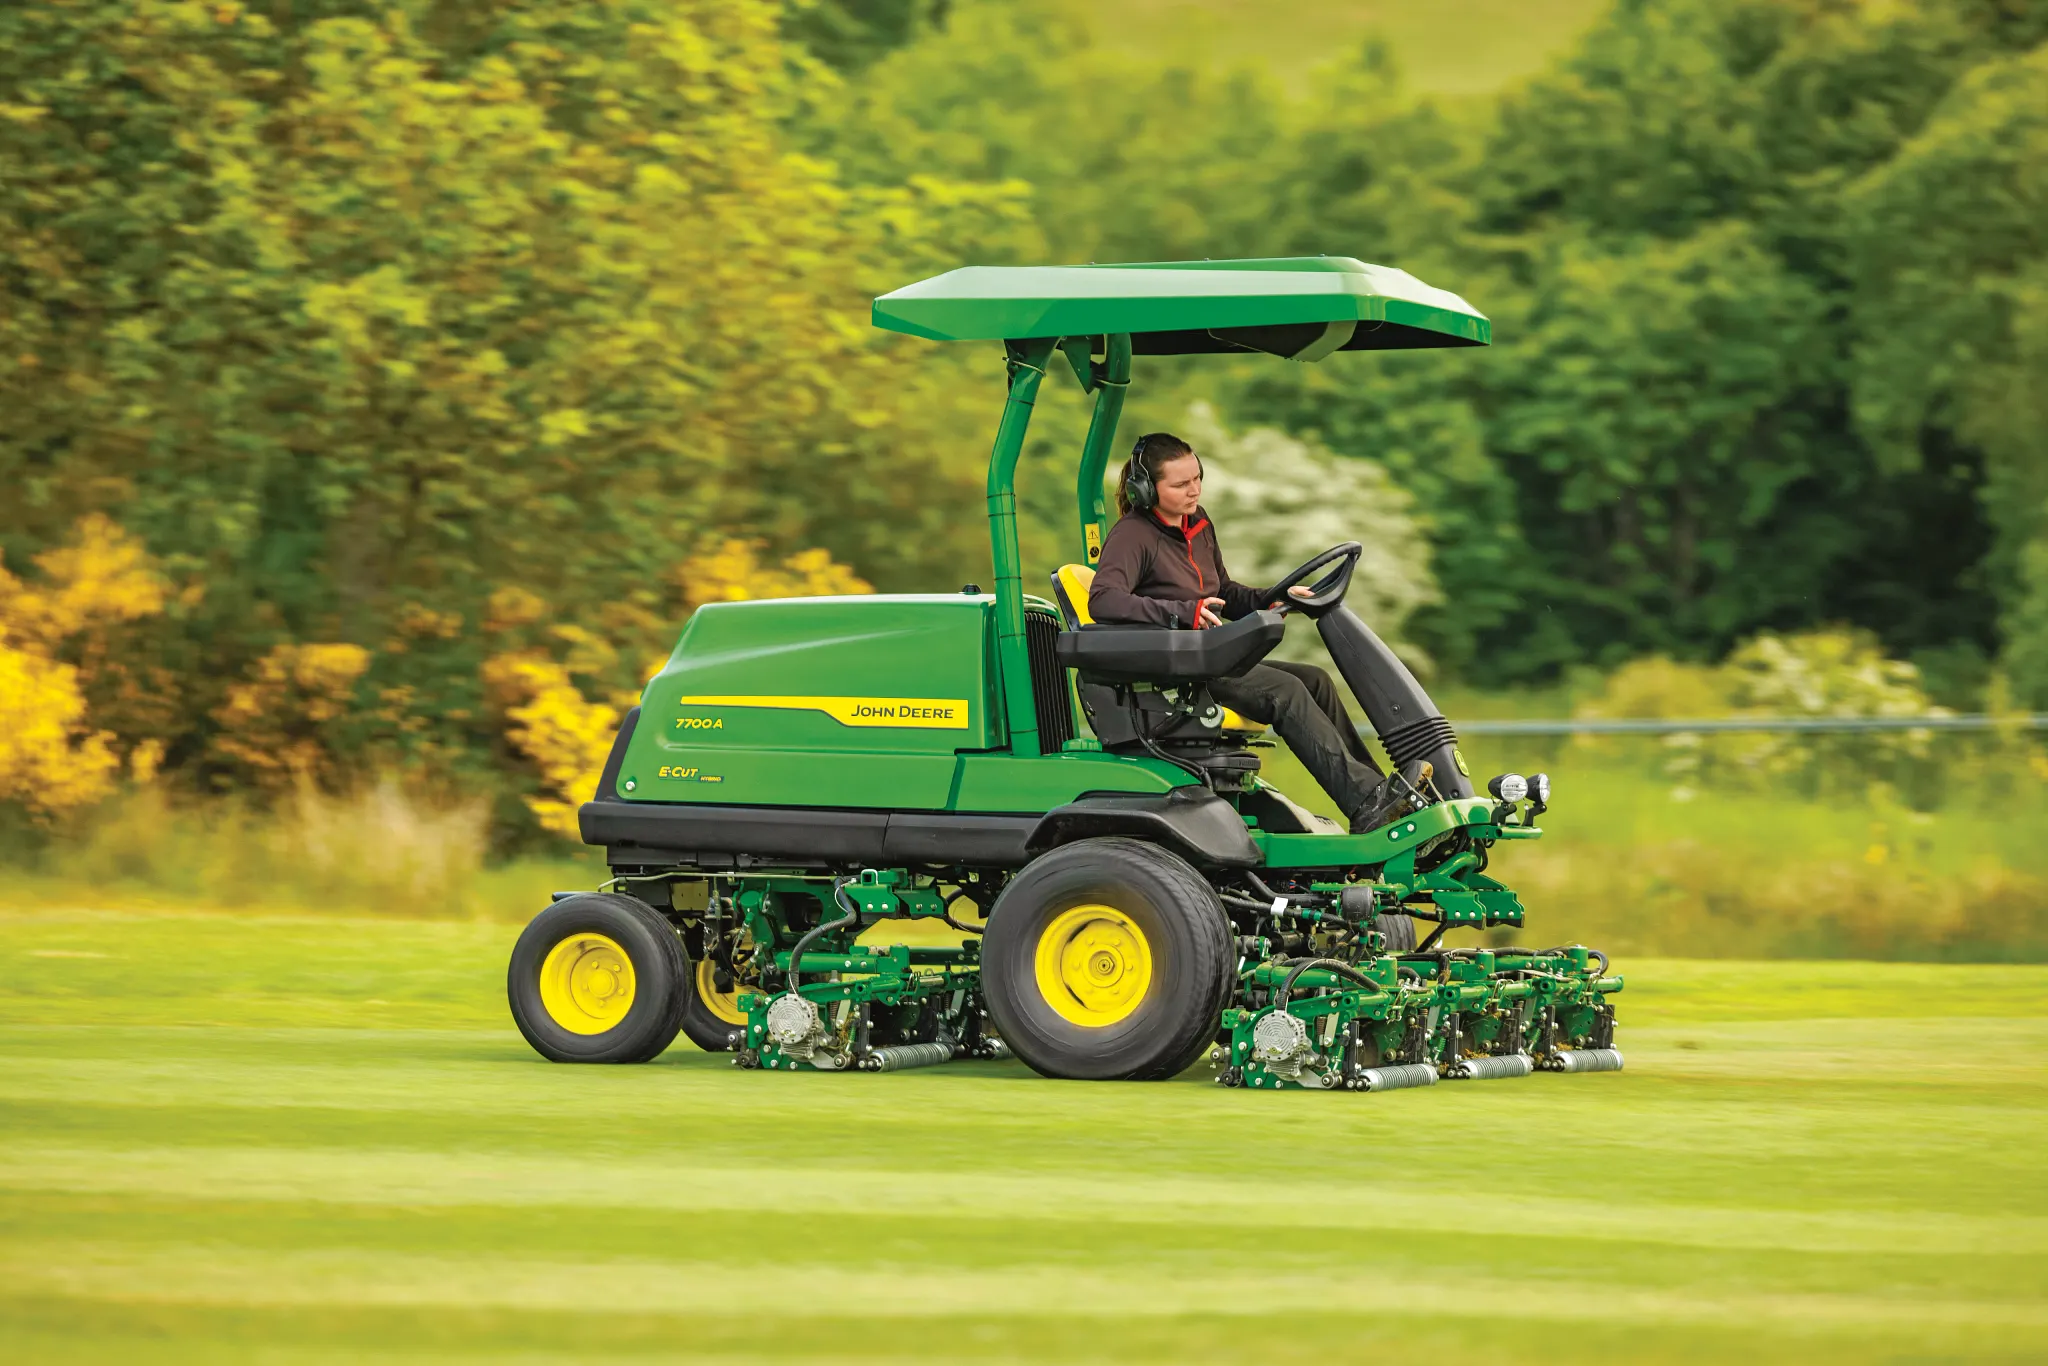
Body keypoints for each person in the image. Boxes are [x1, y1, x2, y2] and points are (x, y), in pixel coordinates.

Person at [1088, 432, 1409, 833]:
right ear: (1146, 489)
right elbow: (1104, 600)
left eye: (1197, 478)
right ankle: (1367, 802)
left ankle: (1379, 795)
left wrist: (1271, 597)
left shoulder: (1199, 523)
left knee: (1315, 680)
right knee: (1285, 691)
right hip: (1176, 672)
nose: (1194, 490)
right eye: (1180, 484)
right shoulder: (1133, 535)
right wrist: (1183, 613)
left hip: (1210, 656)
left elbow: (1223, 590)